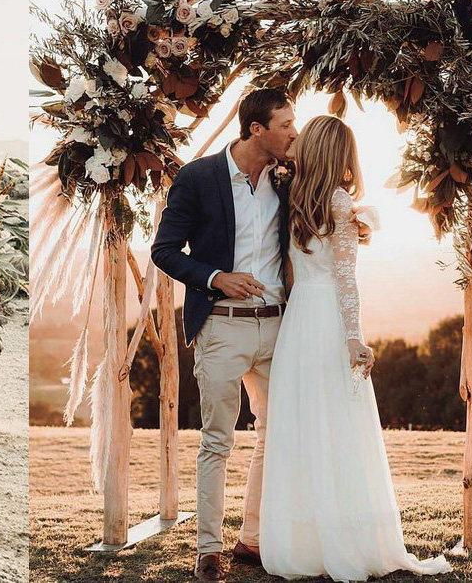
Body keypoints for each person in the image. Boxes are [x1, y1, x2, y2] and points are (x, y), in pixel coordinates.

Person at [259, 115, 451, 580]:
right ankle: (342, 539)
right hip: (324, 319)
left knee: (306, 425)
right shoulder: (339, 202)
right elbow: (346, 278)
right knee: (339, 425)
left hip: (299, 320)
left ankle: (305, 543)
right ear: (340, 156)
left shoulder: (295, 197)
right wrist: (353, 337)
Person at [151, 88, 297, 582]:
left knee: (277, 435)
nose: (293, 133)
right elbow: (165, 250)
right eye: (285, 125)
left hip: (280, 327)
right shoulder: (198, 177)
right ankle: (208, 550)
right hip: (222, 326)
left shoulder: (288, 179)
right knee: (217, 440)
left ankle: (252, 539)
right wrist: (216, 277)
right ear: (257, 129)